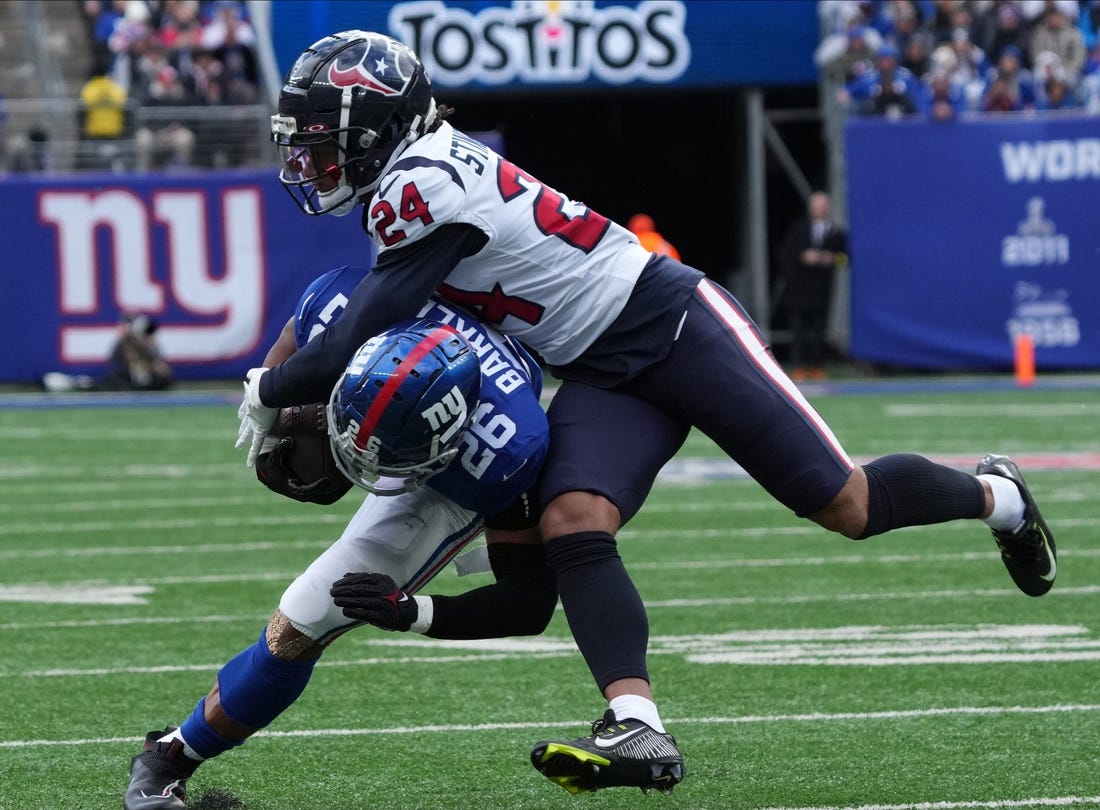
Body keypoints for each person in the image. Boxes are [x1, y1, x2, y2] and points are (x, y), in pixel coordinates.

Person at [241, 30, 1058, 797]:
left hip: (674, 324)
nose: (311, 160)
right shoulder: (413, 178)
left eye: (323, 139)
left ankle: (999, 497)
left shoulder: (421, 183)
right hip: (597, 366)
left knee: (849, 505)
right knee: (572, 519)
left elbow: (365, 329)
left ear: (379, 128)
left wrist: (267, 389)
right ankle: (638, 726)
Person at [123, 266, 557, 809]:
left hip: (451, 476)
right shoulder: (341, 305)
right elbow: (294, 342)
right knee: (297, 621)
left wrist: (412, 611)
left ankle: (172, 754)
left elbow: (530, 603)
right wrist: (272, 398)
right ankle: (169, 756)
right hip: (403, 380)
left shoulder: (504, 451)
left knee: (310, 610)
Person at [777, 191, 848, 381]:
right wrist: (804, 257)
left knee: (819, 328)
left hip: (822, 289)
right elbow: (787, 253)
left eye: (823, 206)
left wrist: (831, 258)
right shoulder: (799, 229)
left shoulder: (836, 233)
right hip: (800, 288)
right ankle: (800, 365)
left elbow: (846, 258)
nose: (820, 210)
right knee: (799, 327)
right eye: (816, 206)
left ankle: (817, 365)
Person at [42, 312, 173, 392]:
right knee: (100, 386)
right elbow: (137, 373)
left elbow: (162, 372)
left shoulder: (150, 346)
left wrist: (153, 359)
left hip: (136, 381)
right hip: (121, 380)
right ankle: (72, 383)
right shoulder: (125, 345)